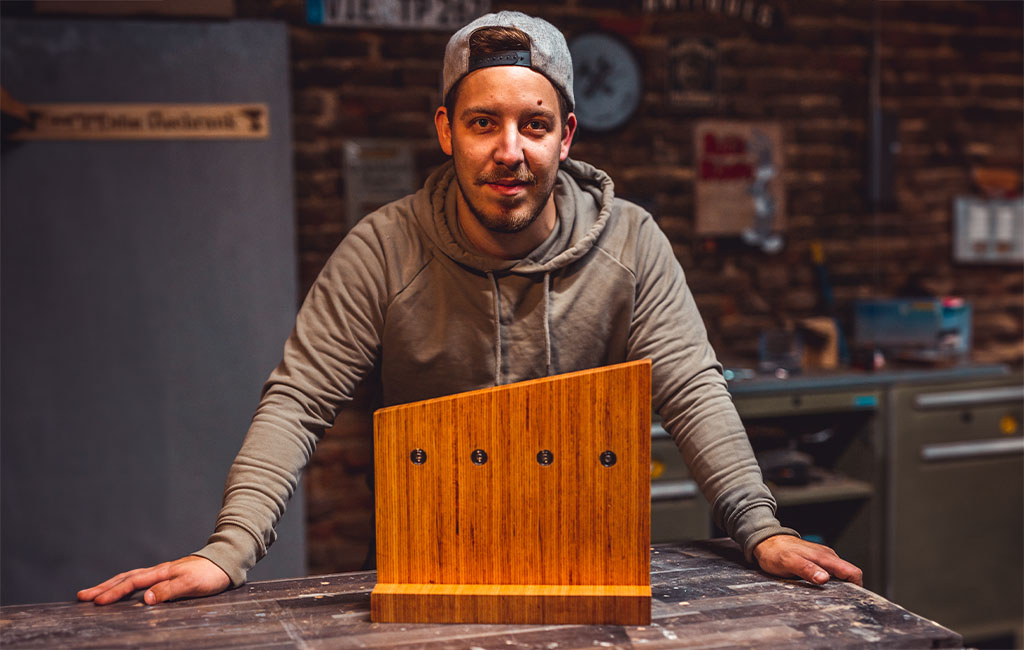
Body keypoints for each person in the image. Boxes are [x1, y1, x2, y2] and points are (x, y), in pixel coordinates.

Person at [78, 11, 862, 607]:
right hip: (426, 565)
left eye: (534, 125)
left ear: (566, 137)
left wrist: (760, 528)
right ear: (446, 131)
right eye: (484, 123)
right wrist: (231, 548)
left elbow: (691, 387)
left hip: (590, 570)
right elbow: (298, 402)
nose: (509, 150)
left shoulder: (630, 241)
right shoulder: (382, 248)